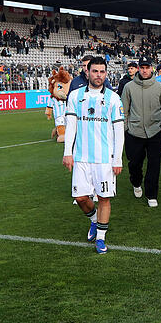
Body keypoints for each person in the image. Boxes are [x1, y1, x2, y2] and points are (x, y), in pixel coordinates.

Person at [62, 57, 125, 254]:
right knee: (80, 197)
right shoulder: (75, 95)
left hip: (104, 159)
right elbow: (71, 126)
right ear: (87, 72)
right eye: (95, 71)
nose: (98, 75)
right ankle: (94, 221)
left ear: (106, 73)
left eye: (102, 72)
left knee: (104, 198)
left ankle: (100, 238)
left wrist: (117, 159)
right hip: (81, 157)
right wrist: (67, 153)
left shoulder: (114, 98)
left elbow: (119, 131)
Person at [121, 57, 161, 208]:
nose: (144, 70)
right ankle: (136, 183)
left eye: (147, 67)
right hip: (134, 132)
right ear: (138, 68)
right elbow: (124, 110)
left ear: (152, 68)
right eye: (141, 67)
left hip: (155, 132)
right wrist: (126, 129)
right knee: (134, 163)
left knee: (154, 165)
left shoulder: (160, 88)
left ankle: (151, 194)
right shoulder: (129, 87)